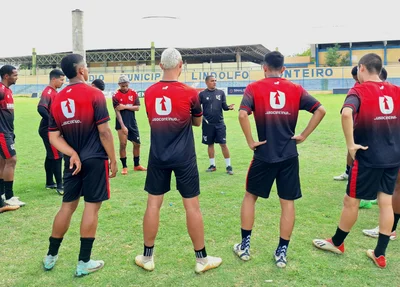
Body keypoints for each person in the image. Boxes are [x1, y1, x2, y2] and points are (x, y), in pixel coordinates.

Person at [234, 51, 326, 268]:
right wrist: (303, 135)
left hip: (264, 153)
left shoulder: (254, 88)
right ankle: (281, 252)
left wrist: (250, 141)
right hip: (288, 154)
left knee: (250, 197)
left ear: (264, 67)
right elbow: (320, 110)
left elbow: (241, 114)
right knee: (287, 203)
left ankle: (245, 247)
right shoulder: (295, 88)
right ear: (283, 69)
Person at [135, 48, 222, 273]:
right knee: (192, 206)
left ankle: (147, 257)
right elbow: (196, 122)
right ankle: (202, 260)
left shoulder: (150, 92)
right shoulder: (191, 92)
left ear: (161, 65)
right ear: (181, 65)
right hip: (184, 157)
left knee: (153, 204)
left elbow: (152, 120)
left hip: (157, 155)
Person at [313, 54, 400, 269]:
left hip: (369, 157)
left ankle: (338, 243)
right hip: (393, 157)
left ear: (361, 68)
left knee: (350, 201)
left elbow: (346, 113)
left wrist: (351, 145)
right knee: (386, 203)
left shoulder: (358, 91)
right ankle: (379, 254)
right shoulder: (396, 90)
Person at [42, 54, 117, 277]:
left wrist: (72, 152)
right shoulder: (95, 94)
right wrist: (113, 159)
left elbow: (53, 136)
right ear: (82, 70)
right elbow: (104, 132)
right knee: (91, 207)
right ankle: (84, 262)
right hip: (94, 159)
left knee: (67, 206)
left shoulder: (56, 98)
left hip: (71, 161)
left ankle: (50, 257)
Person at [0, 65, 25, 207]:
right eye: (15, 75)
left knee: (3, 162)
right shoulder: (1, 90)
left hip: (8, 131)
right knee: (12, 160)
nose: (17, 77)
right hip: (2, 132)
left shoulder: (7, 91)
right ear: (6, 76)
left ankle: (2, 194)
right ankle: (9, 197)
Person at [199, 75, 234, 174]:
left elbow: (224, 107)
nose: (214, 82)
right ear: (206, 82)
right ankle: (212, 165)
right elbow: (197, 107)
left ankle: (228, 166)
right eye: (212, 81)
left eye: (215, 81)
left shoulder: (221, 93)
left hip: (219, 124)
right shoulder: (202, 94)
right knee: (210, 144)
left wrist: (229, 107)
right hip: (207, 124)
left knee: (223, 144)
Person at [37, 69, 65, 195]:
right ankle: (60, 185)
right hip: (47, 129)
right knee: (57, 155)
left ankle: (49, 182)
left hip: (49, 128)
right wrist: (52, 122)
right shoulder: (48, 92)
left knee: (51, 155)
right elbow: (41, 108)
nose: (62, 82)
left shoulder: (54, 92)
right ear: (54, 79)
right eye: (61, 79)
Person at [112, 75, 146, 175]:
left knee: (137, 144)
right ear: (119, 85)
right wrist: (123, 126)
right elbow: (117, 111)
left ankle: (136, 165)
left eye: (126, 85)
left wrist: (125, 106)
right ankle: (124, 167)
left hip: (132, 122)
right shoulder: (116, 95)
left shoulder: (133, 93)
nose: (125, 88)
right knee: (123, 144)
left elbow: (137, 107)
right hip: (121, 122)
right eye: (123, 86)